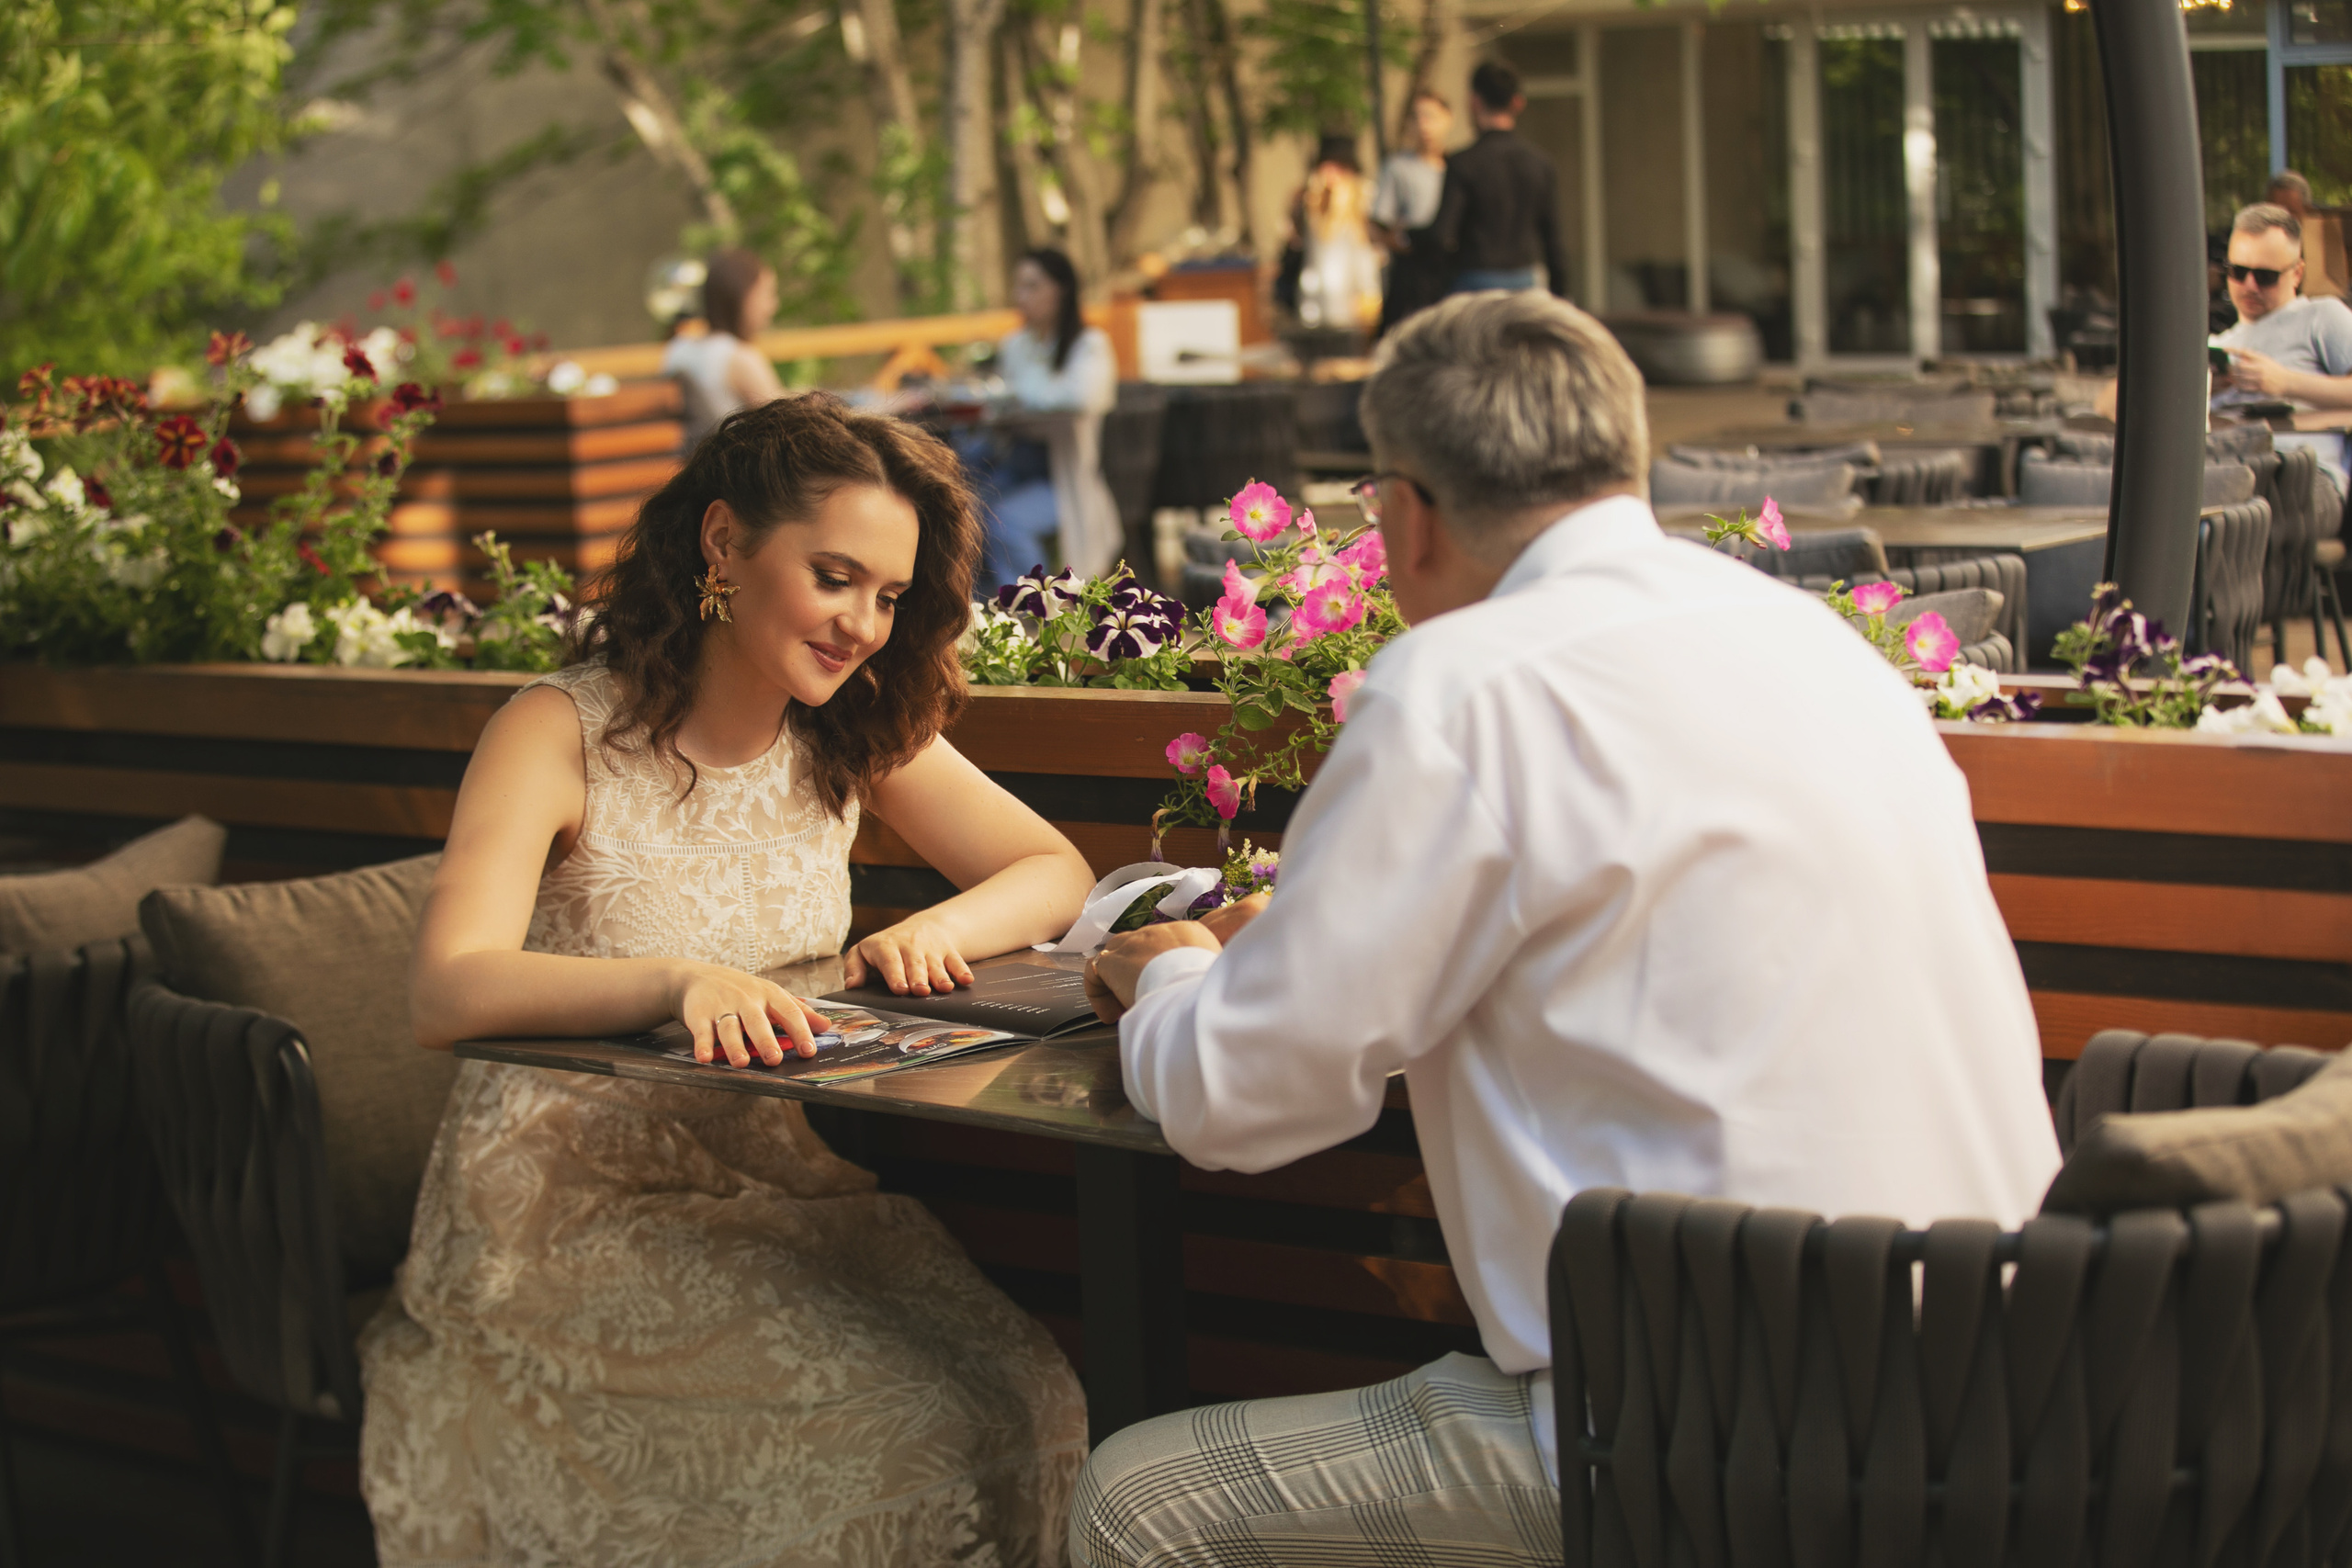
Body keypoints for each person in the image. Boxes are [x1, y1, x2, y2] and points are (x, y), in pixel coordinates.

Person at [1067, 292, 2061, 1566]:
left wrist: (1172, 978)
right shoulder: (1818, 646)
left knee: (1138, 1504)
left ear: (1405, 514)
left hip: (1713, 1439)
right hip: (2016, 1392)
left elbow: (1240, 1096)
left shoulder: (1463, 686)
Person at [365, 393, 1096, 1564]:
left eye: (891, 596)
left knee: (1035, 1398)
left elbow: (1049, 866)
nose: (862, 624)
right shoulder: (556, 731)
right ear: (722, 544)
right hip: (558, 1213)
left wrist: (934, 929)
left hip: (775, 1182)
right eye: (835, 576)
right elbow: (444, 992)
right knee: (894, 1441)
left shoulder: (851, 721)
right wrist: (676, 981)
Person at [969, 247, 1122, 598]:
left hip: (1065, 477)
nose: (1019, 296)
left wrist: (1014, 397)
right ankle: (979, 606)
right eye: (1018, 286)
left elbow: (1082, 397)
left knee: (1005, 521)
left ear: (1060, 290)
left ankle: (1029, 610)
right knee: (960, 508)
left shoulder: (1088, 346)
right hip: (1011, 462)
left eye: (1031, 286)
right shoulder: (1016, 345)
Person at [2214, 201, 2352, 510]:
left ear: (2296, 273)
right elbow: (2113, 401)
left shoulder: (2321, 316)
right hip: (2220, 466)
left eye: (2265, 276)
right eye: (2238, 272)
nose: (2249, 285)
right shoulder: (2217, 344)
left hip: (2297, 477)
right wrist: (2202, 386)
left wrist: (2286, 383)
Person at [1430, 62, 1570, 298]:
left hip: (1475, 281)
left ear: (1474, 102)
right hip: (1527, 282)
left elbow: (1442, 236)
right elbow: (1554, 241)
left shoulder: (1462, 162)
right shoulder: (1540, 164)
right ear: (1518, 103)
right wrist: (1561, 295)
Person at [662, 248, 790, 445]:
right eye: (767, 295)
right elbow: (790, 423)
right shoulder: (739, 358)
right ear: (742, 297)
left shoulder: (678, 349)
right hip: (733, 467)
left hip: (691, 463)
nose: (773, 306)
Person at [1372, 91, 1457, 334]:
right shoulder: (1398, 168)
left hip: (1450, 267)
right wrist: (1405, 245)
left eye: (1430, 117)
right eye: (1416, 118)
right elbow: (1378, 225)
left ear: (1448, 118)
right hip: (1412, 269)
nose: (1423, 126)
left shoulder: (1458, 167)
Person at [1291, 133, 1385, 333]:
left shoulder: (1364, 194)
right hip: (1317, 288)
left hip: (1355, 285)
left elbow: (1369, 245)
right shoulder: (1310, 199)